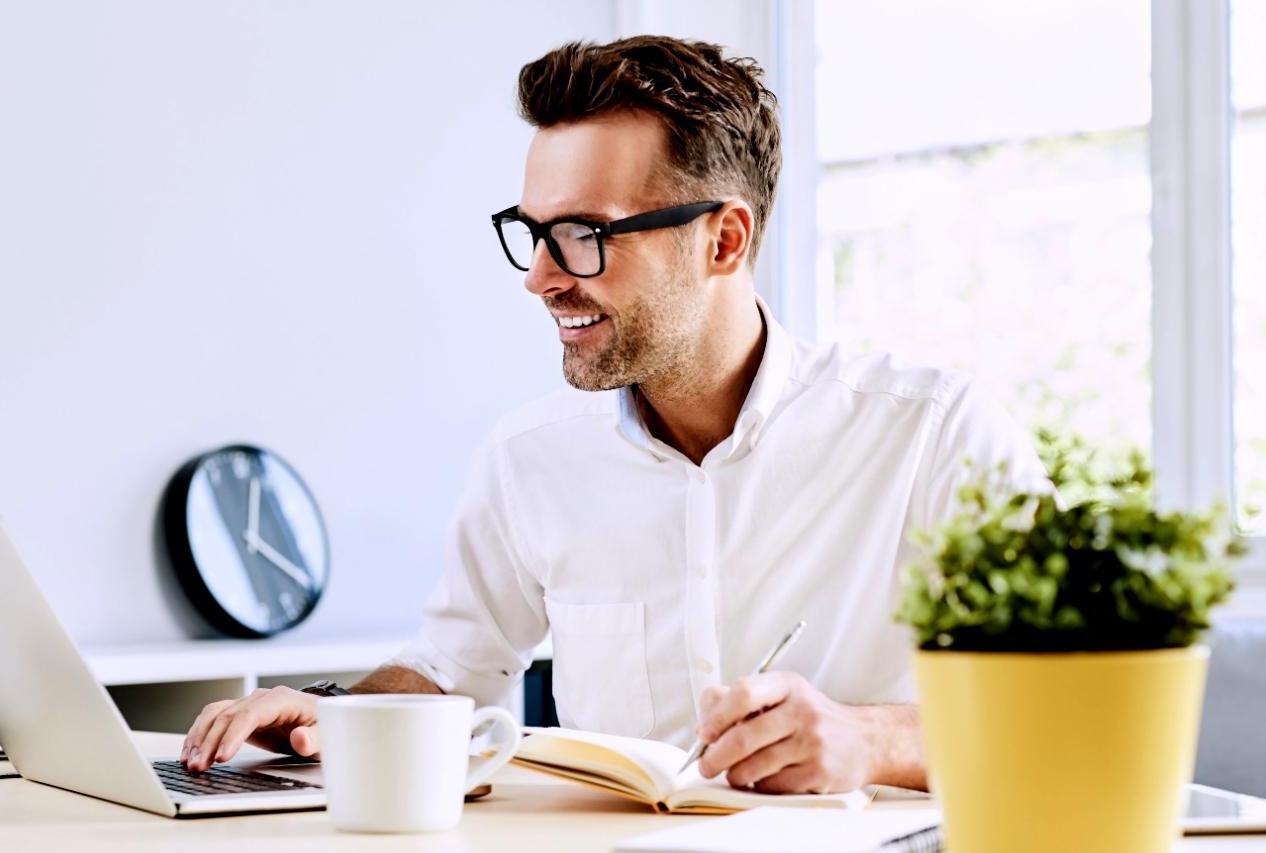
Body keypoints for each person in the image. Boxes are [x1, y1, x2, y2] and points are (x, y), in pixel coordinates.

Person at [180, 36, 1046, 793]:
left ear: (724, 240)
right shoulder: (530, 459)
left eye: (585, 235)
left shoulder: (933, 434)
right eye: (534, 231)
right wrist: (333, 713)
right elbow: (452, 674)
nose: (540, 278)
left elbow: (1066, 708)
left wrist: (874, 742)